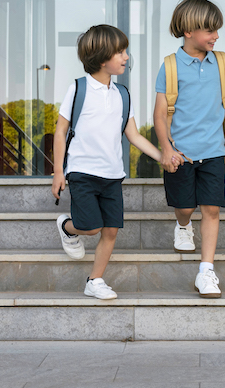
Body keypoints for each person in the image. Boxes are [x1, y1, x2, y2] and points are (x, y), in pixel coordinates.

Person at [153, 0, 225, 298]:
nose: (215, 36)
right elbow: (159, 114)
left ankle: (206, 271)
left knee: (212, 209)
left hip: (215, 151)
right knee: (185, 207)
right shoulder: (170, 66)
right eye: (209, 30)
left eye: (217, 30)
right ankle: (183, 224)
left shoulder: (222, 62)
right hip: (181, 153)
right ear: (188, 31)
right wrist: (165, 148)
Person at [52, 24, 175, 300]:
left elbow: (132, 135)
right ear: (101, 57)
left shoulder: (123, 94)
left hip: (112, 175)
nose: (126, 57)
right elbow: (61, 131)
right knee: (91, 226)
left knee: (110, 230)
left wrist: (162, 156)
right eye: (120, 52)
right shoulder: (78, 89)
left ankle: (95, 280)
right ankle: (66, 227)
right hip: (82, 172)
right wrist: (58, 171)